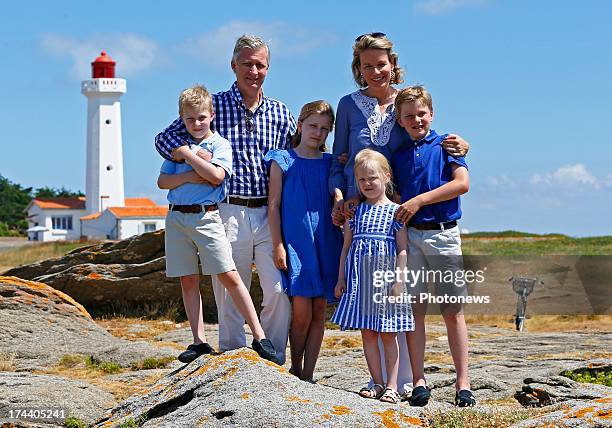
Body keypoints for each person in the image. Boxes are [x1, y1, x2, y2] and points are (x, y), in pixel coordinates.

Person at [155, 35, 296, 365]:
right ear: (234, 65)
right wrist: (190, 155)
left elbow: (300, 150)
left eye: (260, 64)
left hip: (268, 211)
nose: (254, 70)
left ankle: (272, 359)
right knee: (229, 290)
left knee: (276, 290)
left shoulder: (280, 112)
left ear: (268, 68)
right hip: (226, 207)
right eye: (247, 63)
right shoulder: (212, 107)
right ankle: (233, 361)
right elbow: (164, 140)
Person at [329, 32, 469, 221]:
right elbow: (338, 160)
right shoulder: (347, 104)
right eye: (368, 66)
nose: (376, 72)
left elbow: (423, 137)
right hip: (355, 206)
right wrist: (339, 197)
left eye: (381, 65)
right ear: (359, 69)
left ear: (392, 63)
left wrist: (461, 145)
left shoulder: (407, 102)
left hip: (397, 207)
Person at [392, 85, 474, 407]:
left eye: (421, 113)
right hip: (411, 237)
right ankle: (419, 381)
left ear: (432, 114)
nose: (416, 120)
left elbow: (462, 184)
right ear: (399, 120)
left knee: (452, 310)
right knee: (415, 313)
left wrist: (419, 200)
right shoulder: (397, 156)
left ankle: (463, 384)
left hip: (443, 234)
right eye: (409, 115)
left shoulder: (448, 145)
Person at [265, 100, 343, 382]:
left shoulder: (331, 162)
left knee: (319, 311)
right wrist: (277, 245)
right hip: (297, 245)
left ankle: (309, 374)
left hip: (326, 242)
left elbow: (339, 194)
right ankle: (295, 368)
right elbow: (273, 206)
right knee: (300, 314)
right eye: (313, 125)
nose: (318, 132)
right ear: (300, 124)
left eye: (325, 128)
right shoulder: (282, 160)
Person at [332, 149, 413, 404]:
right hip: (360, 283)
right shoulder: (354, 213)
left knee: (389, 334)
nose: (367, 184)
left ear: (386, 177)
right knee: (368, 333)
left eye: (373, 178)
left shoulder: (396, 212)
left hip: (386, 283)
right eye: (362, 180)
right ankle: (376, 382)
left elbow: (402, 250)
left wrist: (400, 281)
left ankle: (392, 385)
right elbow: (346, 248)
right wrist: (341, 279)